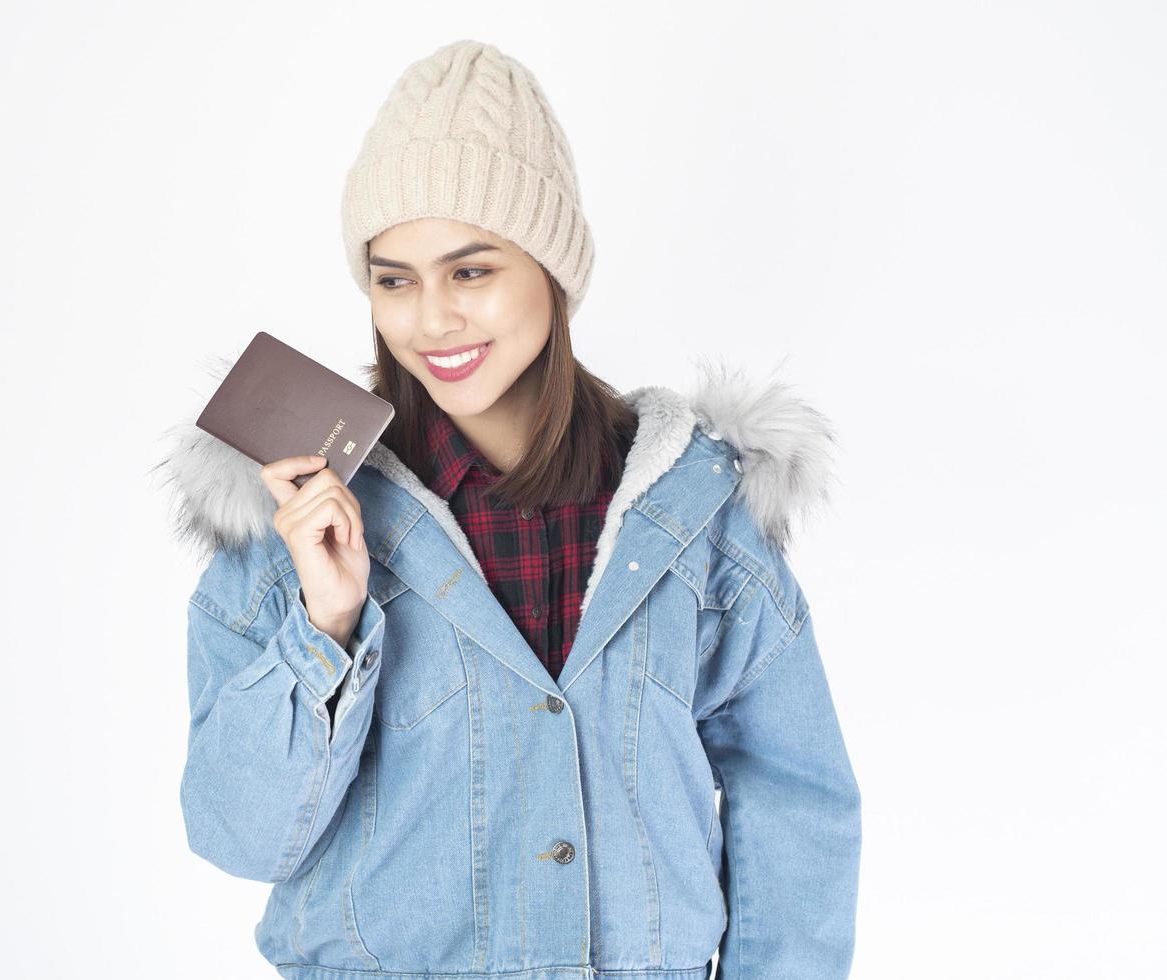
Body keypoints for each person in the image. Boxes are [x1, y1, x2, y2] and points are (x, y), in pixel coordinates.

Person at [161, 38, 861, 980]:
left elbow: (796, 811)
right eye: (394, 279)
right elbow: (239, 834)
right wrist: (322, 629)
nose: (431, 320)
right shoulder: (298, 516)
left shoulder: (691, 515)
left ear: (551, 269)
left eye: (471, 270)